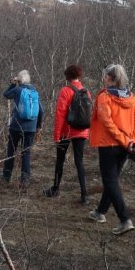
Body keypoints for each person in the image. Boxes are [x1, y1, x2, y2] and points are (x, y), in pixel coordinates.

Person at [88, 64, 135, 235]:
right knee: (112, 180)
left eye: (105, 76)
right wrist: (132, 141)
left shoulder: (105, 97)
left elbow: (107, 122)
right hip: (125, 146)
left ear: (109, 78)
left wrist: (125, 140)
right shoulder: (131, 98)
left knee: (110, 181)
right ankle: (100, 212)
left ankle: (125, 220)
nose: (103, 79)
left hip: (109, 145)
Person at [43, 64, 91, 204]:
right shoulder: (86, 91)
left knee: (60, 160)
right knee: (79, 162)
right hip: (82, 131)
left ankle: (55, 189)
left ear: (67, 77)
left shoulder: (65, 91)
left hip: (66, 131)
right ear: (79, 76)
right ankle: (84, 195)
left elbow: (60, 115)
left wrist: (56, 135)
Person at [2, 69, 44, 188]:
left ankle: (6, 176)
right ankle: (25, 179)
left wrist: (12, 83)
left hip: (16, 126)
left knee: (11, 150)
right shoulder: (34, 91)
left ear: (19, 80)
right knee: (26, 153)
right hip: (31, 128)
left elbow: (5, 94)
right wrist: (38, 126)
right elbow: (41, 111)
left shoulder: (17, 90)